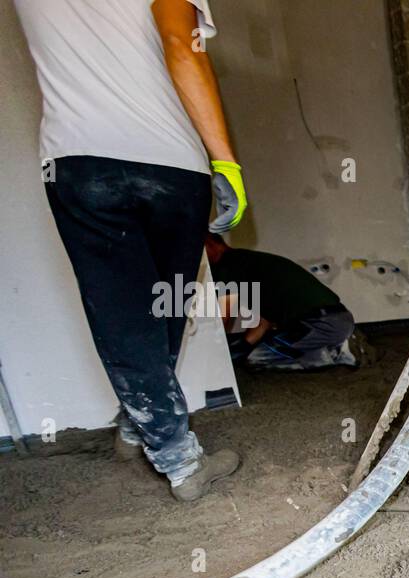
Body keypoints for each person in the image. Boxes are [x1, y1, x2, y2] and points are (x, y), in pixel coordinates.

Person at [16, 0, 248, 502]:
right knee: (163, 306)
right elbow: (182, 50)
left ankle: (138, 423)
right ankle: (181, 462)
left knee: (125, 314)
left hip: (78, 161)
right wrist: (226, 161)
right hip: (172, 165)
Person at [204, 234, 360, 370]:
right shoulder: (249, 261)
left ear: (209, 244)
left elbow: (221, 319)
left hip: (319, 324)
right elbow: (264, 322)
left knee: (257, 358)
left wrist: (212, 356)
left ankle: (336, 353)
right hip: (339, 318)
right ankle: (339, 341)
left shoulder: (226, 266)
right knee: (265, 345)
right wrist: (243, 345)